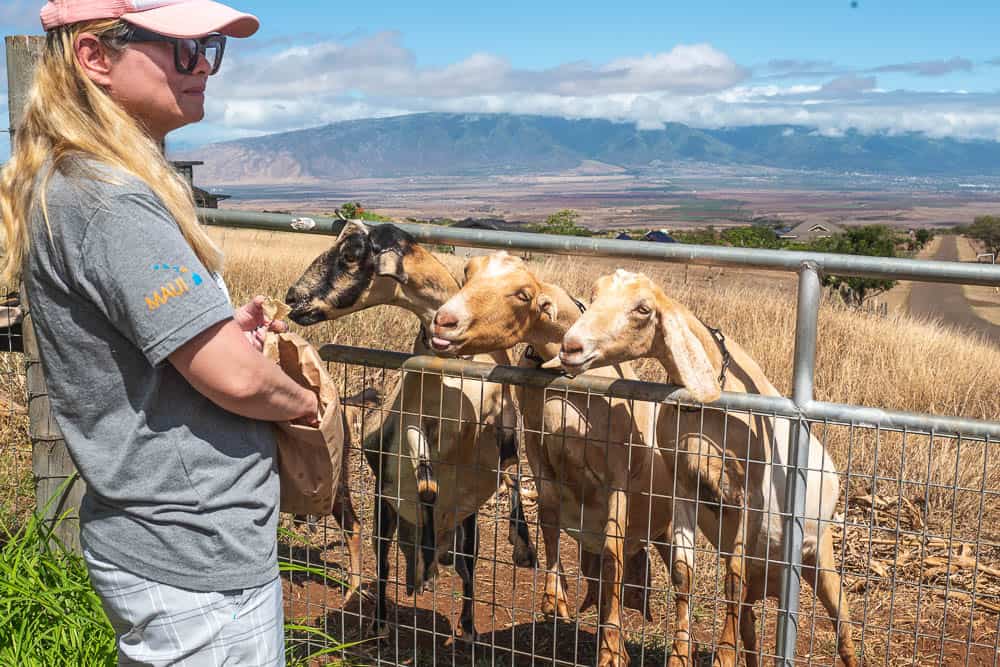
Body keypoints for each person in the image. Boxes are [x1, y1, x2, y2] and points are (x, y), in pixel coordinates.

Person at [0, 1, 318, 664]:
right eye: (182, 48)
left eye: (209, 47)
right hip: (197, 558)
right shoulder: (112, 198)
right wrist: (303, 402)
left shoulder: (69, 181)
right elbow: (234, 377)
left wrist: (207, 326)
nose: (204, 65)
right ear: (95, 58)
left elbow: (129, 332)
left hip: (157, 543)